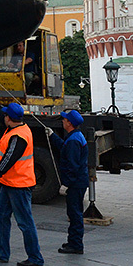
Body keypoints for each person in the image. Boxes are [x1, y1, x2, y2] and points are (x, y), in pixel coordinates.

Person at [0, 102, 44, 266]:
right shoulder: (18, 127)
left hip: (19, 184)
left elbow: (9, 158)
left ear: (8, 118)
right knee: (1, 215)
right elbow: (0, 115)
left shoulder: (18, 136)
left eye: (5, 115)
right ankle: (2, 252)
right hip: (10, 182)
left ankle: (35, 258)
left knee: (25, 221)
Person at [49, 109, 89, 255]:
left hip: (75, 183)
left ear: (70, 123)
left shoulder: (73, 141)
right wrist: (53, 136)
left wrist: (67, 184)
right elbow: (64, 148)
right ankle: (73, 241)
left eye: (65, 119)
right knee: (74, 212)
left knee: (75, 213)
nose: (63, 121)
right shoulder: (75, 137)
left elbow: (72, 166)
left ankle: (76, 245)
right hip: (79, 182)